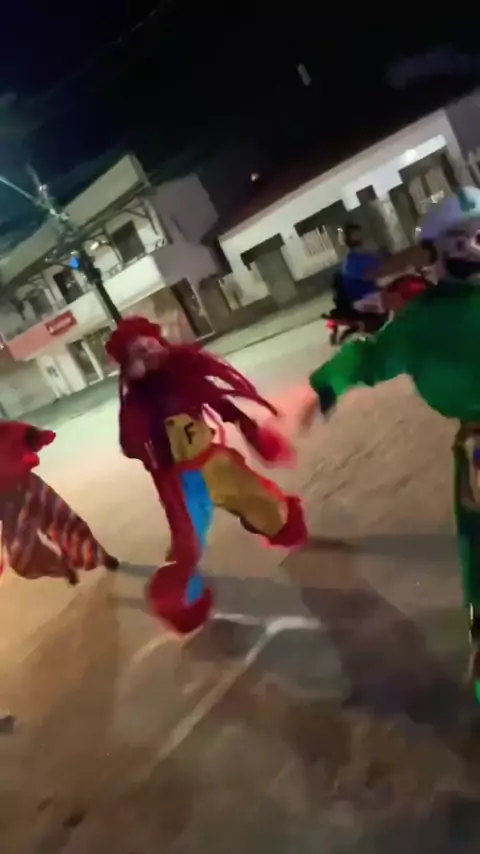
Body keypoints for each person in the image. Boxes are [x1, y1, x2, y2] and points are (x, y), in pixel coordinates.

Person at [300, 186, 480, 687]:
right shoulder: (421, 321)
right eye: (463, 240)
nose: (474, 248)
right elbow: (370, 356)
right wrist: (330, 383)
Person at [106, 316, 307, 635]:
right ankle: (185, 602)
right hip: (181, 484)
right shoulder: (138, 403)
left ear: (160, 342)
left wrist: (247, 426)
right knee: (186, 549)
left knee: (268, 504)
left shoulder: (185, 376)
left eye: (148, 344)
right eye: (137, 352)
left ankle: (275, 524)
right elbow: (131, 445)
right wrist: (132, 402)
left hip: (215, 463)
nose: (146, 353)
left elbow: (219, 402)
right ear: (129, 367)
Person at [0, 420, 118, 584]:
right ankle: (62, 567)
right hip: (8, 505)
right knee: (20, 555)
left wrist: (31, 436)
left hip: (29, 487)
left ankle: (99, 555)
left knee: (66, 523)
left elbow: (20, 434)